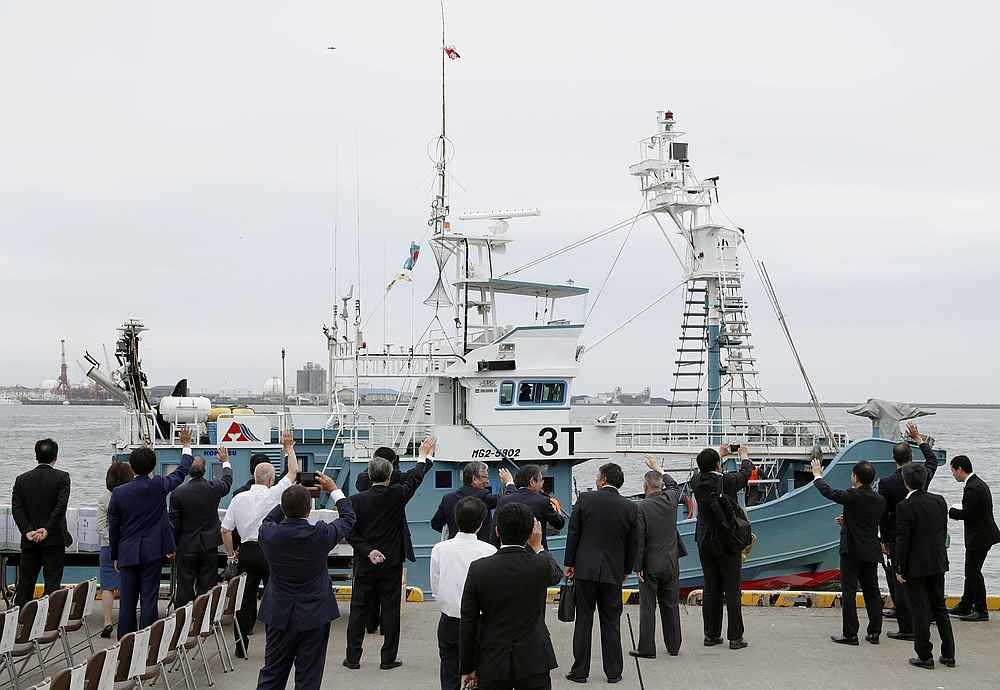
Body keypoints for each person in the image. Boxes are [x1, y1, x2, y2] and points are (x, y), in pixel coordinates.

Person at [256, 475, 356, 690]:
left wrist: (288, 497)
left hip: (279, 612)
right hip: (315, 613)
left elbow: (267, 521)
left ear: (284, 507)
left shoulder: (269, 534)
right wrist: (334, 489)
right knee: (309, 677)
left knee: (272, 673)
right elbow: (348, 519)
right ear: (309, 509)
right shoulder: (320, 533)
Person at [344, 437, 435, 670]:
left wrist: (367, 551)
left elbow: (351, 534)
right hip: (391, 562)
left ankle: (353, 658)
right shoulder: (396, 495)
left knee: (358, 609)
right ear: (389, 476)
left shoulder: (354, 501)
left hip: (365, 562)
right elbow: (415, 478)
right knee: (391, 610)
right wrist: (423, 455)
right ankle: (388, 658)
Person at [460, 503, 563, 690]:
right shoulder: (540, 565)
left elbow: (469, 621)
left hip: (493, 658)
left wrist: (468, 666)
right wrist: (538, 546)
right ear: (530, 532)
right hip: (534, 658)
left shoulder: (479, 569)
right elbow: (556, 574)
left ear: (497, 531)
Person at [109, 427, 194, 637]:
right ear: (153, 467)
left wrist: (115, 555)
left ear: (131, 466)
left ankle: (125, 643)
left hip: (127, 551)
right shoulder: (158, 485)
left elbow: (114, 528)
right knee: (149, 599)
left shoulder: (119, 493)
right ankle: (148, 641)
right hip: (152, 551)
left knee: (127, 601)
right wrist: (186, 446)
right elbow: (181, 472)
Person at [221, 430, 299, 657]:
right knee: (276, 595)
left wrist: (231, 555)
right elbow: (293, 472)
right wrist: (288, 448)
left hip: (246, 552)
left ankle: (240, 644)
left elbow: (225, 530)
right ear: (271, 479)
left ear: (254, 477)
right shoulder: (274, 494)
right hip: (270, 551)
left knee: (244, 600)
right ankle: (278, 643)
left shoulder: (238, 498)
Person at [564, 462, 638, 684]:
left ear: (603, 479)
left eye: (598, 476)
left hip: (585, 569)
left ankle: (580, 671)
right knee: (611, 623)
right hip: (613, 572)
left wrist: (570, 563)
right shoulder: (630, 507)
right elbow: (633, 543)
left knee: (584, 621)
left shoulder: (585, 500)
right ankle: (613, 672)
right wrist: (626, 569)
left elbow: (574, 532)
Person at [810, 457, 886, 645]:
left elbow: (829, 492)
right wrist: (849, 520)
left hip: (851, 551)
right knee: (872, 591)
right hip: (870, 550)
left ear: (856, 478)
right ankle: (875, 631)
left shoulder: (852, 495)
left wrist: (817, 475)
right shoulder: (880, 500)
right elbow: (868, 520)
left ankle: (851, 633)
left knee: (850, 591)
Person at [878, 422, 940, 640]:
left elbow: (883, 514)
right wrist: (919, 439)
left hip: (897, 537)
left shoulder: (885, 483)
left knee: (900, 580)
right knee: (922, 578)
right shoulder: (922, 476)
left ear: (894, 459)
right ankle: (926, 615)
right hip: (923, 536)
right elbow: (932, 461)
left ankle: (906, 626)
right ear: (911, 457)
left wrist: (883, 539)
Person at [689, 443, 754, 650]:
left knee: (711, 587)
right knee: (732, 588)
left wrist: (718, 453)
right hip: (727, 540)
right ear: (719, 465)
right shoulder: (726, 481)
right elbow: (745, 475)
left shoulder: (696, 481)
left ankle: (711, 634)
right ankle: (735, 637)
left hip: (704, 540)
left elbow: (706, 469)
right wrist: (744, 455)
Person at [430, 496, 496, 690]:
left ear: (455, 518)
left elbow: (435, 587)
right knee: (481, 675)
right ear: (482, 522)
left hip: (450, 619)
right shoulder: (490, 550)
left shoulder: (440, 549)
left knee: (449, 671)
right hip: (481, 622)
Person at [895, 462, 955, 669]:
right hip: (937, 561)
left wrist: (899, 568)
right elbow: (942, 530)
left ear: (906, 482)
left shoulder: (904, 507)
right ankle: (948, 654)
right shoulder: (939, 501)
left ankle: (925, 655)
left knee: (920, 610)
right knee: (940, 608)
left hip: (916, 565)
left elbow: (903, 540)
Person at [355, 446, 416, 635]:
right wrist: (423, 458)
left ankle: (370, 624)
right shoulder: (397, 488)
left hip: (367, 547)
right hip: (391, 547)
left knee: (368, 594)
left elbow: (362, 480)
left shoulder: (361, 487)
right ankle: (387, 639)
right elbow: (409, 478)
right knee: (389, 598)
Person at [168, 446, 234, 607]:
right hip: (208, 544)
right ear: (204, 470)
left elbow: (174, 524)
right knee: (207, 584)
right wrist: (225, 462)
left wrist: (172, 546)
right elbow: (227, 481)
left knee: (184, 584)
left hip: (186, 544)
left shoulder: (177, 493)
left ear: (188, 472)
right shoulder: (214, 488)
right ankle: (204, 623)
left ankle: (182, 620)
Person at [631, 459, 683, 659]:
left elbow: (640, 540)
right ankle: (674, 645)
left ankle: (647, 648)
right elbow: (673, 485)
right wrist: (659, 469)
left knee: (648, 606)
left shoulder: (641, 507)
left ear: (645, 486)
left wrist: (638, 566)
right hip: (671, 562)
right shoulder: (671, 499)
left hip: (650, 564)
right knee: (670, 604)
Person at [11, 439, 72, 608]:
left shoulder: (21, 479)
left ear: (36, 456)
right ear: (56, 456)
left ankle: (20, 621)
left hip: (29, 541)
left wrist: (27, 530)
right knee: (52, 583)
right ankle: (48, 620)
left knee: (25, 583)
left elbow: (17, 508)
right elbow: (60, 507)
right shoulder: (62, 477)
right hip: (53, 539)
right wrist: (47, 529)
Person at [947, 455, 1000, 622]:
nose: (953, 474)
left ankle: (981, 609)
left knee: (973, 573)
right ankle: (965, 604)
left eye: (953, 471)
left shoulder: (973, 488)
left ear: (960, 469)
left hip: (980, 537)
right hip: (982, 535)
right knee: (970, 572)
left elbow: (970, 513)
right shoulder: (977, 484)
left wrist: (952, 512)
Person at [96, 462, 135, 638]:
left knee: (107, 586)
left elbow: (100, 526)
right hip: (129, 546)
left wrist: (112, 542)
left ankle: (107, 621)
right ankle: (128, 618)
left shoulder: (104, 498)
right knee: (129, 583)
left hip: (108, 547)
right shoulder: (130, 496)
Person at [431, 461, 514, 542]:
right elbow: (506, 500)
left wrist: (452, 530)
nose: (487, 481)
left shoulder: (448, 498)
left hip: (455, 548)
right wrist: (509, 483)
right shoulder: (483, 496)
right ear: (474, 479)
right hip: (481, 549)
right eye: (485, 477)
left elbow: (436, 524)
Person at [496, 465, 564, 550]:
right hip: (535, 553)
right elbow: (559, 524)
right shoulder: (542, 501)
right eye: (541, 480)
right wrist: (558, 512)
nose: (542, 484)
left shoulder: (503, 500)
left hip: (509, 553)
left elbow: (496, 530)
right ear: (532, 481)